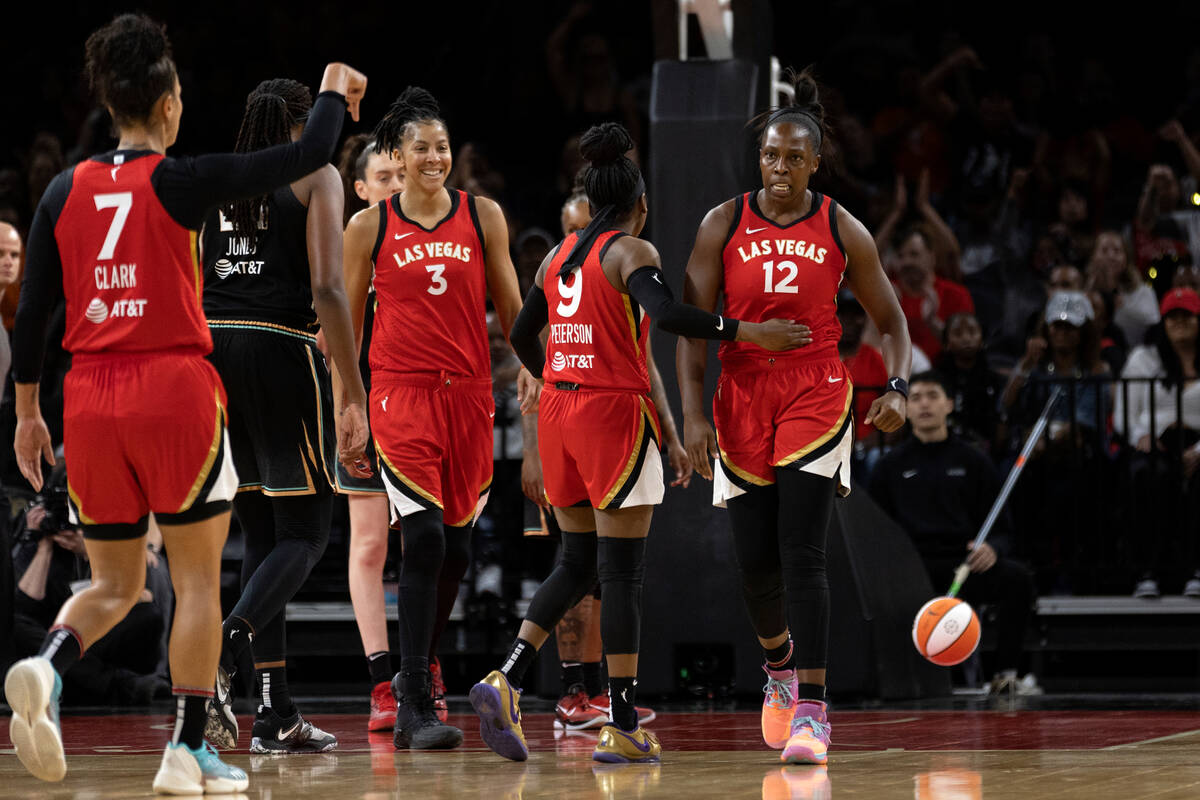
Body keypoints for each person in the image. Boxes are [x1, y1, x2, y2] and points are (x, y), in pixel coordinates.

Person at [4, 12, 366, 794]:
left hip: (88, 398)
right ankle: (187, 748)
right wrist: (335, 89)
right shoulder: (182, 178)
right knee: (200, 584)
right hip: (171, 389)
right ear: (167, 100)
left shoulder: (64, 188)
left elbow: (34, 310)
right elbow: (307, 153)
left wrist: (29, 411)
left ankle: (45, 666)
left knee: (115, 583)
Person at [470, 121, 806, 766]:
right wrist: (748, 332)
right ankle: (622, 722)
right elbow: (673, 316)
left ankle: (504, 677)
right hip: (610, 414)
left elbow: (517, 334)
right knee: (621, 573)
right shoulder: (631, 253)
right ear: (639, 206)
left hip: (560, 412)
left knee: (576, 563)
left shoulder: (557, 254)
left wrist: (554, 374)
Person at [676, 68, 911, 766]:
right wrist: (691, 415)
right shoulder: (723, 220)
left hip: (814, 389)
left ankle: (813, 709)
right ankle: (778, 670)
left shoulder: (843, 226)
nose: (780, 167)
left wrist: (895, 386)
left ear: (815, 161)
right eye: (770, 155)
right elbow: (693, 327)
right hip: (740, 392)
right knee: (756, 565)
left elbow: (891, 320)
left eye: (793, 157)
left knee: (803, 551)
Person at [340, 87, 535, 751]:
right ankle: (413, 698)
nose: (434, 156)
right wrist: (348, 399)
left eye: (442, 146)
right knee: (419, 541)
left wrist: (533, 363)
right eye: (420, 147)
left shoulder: (484, 217)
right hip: (401, 395)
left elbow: (512, 303)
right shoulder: (370, 227)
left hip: (470, 398)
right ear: (395, 154)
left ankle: (419, 680)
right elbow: (341, 323)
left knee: (454, 546)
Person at [201, 78, 371, 755]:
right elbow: (329, 285)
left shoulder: (217, 178)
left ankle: (274, 712)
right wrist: (351, 391)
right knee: (307, 532)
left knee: (261, 532)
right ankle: (228, 643)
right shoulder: (315, 171)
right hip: (282, 345)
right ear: (307, 124)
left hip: (215, 348)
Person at [868, 371, 1036, 693]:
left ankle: (1005, 674)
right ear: (904, 409)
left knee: (1018, 580)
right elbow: (875, 530)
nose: (925, 404)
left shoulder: (974, 461)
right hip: (910, 568)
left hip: (964, 564)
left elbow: (1003, 530)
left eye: (932, 396)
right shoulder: (889, 466)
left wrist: (993, 548)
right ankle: (889, 679)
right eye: (915, 398)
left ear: (949, 404)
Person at [334, 136, 408, 731]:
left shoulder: (432, 239)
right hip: (364, 407)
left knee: (427, 543)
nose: (394, 185)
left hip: (419, 408)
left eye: (400, 175)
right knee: (368, 546)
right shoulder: (352, 243)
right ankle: (382, 682)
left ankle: (422, 671)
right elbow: (336, 342)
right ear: (359, 189)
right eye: (383, 177)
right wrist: (343, 408)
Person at [1113, 288, 1200, 598]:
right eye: (1172, 317)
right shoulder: (1142, 359)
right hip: (1153, 445)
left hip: (1196, 445)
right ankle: (1147, 572)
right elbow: (1125, 412)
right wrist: (1140, 436)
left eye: (1187, 316)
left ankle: (1195, 570)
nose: (1179, 323)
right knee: (1149, 477)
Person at [935, 312, 1004, 452]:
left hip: (984, 451)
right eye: (958, 334)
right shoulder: (936, 381)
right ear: (946, 343)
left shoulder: (993, 380)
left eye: (972, 332)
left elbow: (1000, 420)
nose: (966, 338)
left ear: (982, 341)